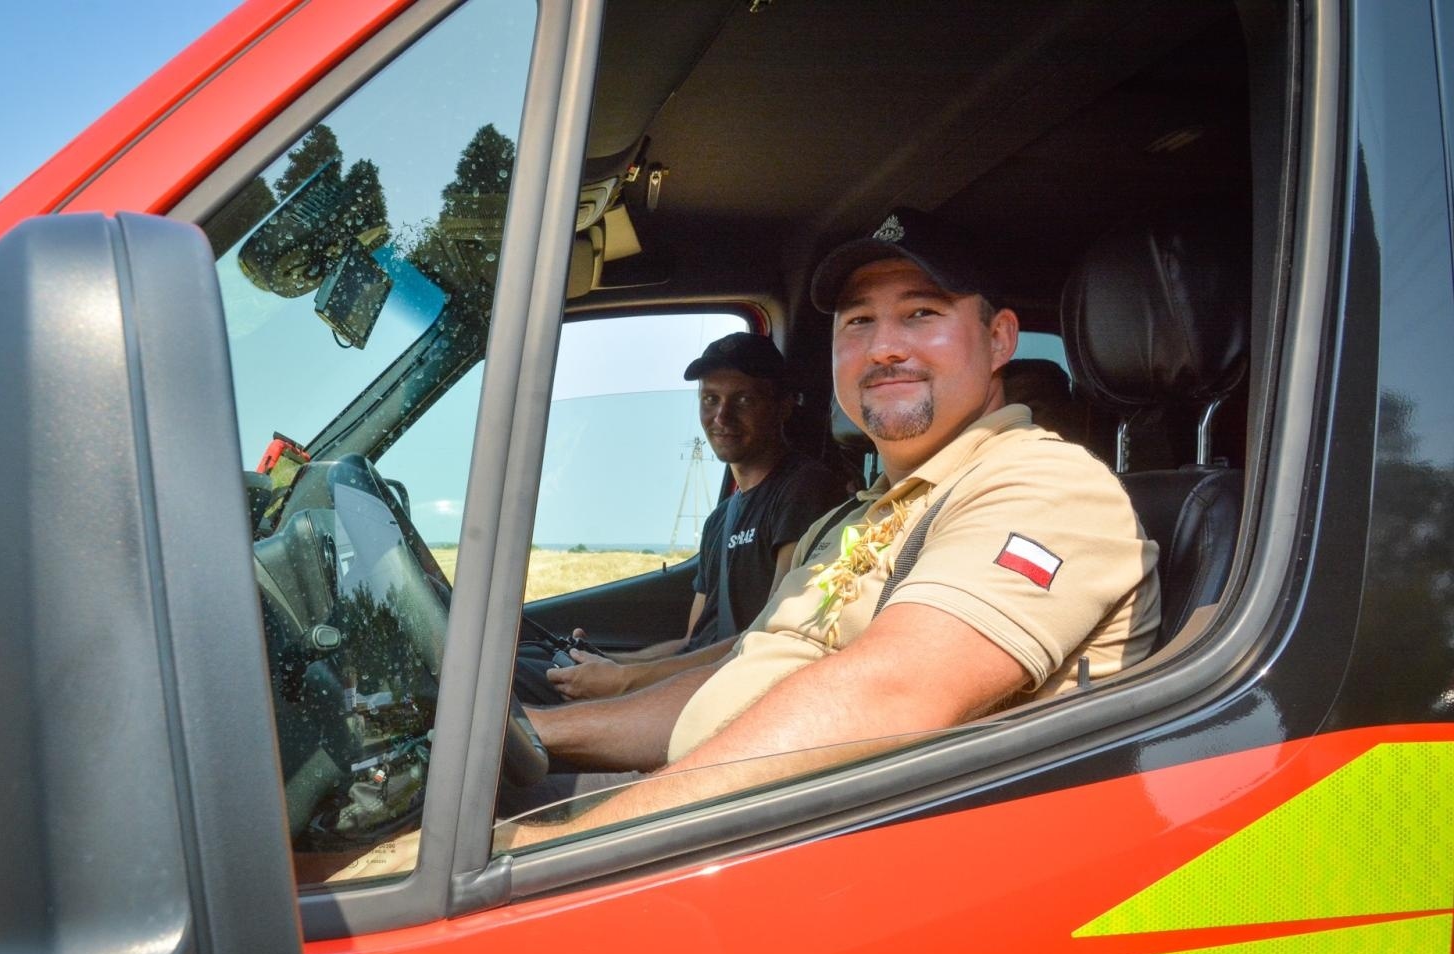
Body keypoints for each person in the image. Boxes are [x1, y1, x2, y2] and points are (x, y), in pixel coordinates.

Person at [327, 210, 1160, 878]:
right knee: (354, 851)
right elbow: (741, 672)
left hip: (843, 861)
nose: (884, 346)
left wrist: (576, 848)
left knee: (377, 896)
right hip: (750, 815)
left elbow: (891, 694)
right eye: (858, 322)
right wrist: (537, 731)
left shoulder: (1043, 486)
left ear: (1001, 339)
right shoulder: (862, 515)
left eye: (922, 314)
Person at [541, 332, 846, 701]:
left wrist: (625, 681)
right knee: (533, 669)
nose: (721, 416)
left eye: (743, 400)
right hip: (698, 682)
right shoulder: (720, 520)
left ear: (782, 406)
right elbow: (692, 642)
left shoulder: (805, 490)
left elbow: (771, 637)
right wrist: (608, 662)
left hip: (736, 694)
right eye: (710, 399)